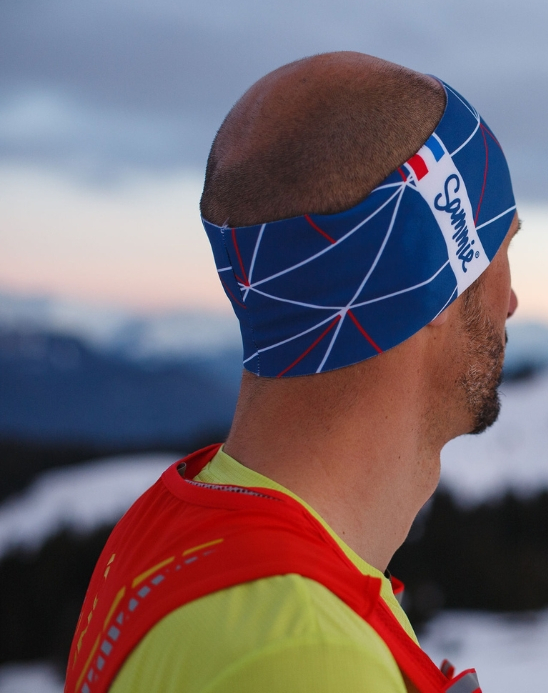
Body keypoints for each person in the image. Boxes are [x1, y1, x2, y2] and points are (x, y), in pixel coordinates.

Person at [65, 52, 520, 693]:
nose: (511, 301)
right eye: (504, 249)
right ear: (430, 280)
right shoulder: (308, 655)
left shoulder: (172, 528)